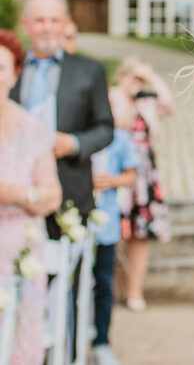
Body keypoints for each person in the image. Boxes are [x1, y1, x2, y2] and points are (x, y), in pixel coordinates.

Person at [11, 0, 114, 239]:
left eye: (54, 21)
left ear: (65, 23)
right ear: (26, 24)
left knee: (67, 274)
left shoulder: (89, 71)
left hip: (70, 191)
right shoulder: (10, 69)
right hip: (16, 193)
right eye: (39, 20)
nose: (47, 28)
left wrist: (73, 143)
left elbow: (105, 128)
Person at [0, 30, 62, 365]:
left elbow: (52, 197)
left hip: (20, 253)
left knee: (20, 343)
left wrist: (14, 193)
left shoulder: (33, 128)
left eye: (0, 68)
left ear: (14, 74)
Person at [108, 57, 174, 311]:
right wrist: (127, 93)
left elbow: (168, 104)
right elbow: (119, 124)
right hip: (119, 170)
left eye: (140, 80)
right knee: (114, 233)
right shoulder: (113, 97)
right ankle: (110, 289)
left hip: (144, 175)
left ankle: (135, 289)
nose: (137, 83)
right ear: (121, 77)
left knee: (140, 233)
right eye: (132, 77)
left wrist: (151, 77)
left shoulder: (148, 102)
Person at [90, 128, 137, 365]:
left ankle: (102, 341)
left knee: (104, 285)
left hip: (106, 225)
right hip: (74, 223)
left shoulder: (120, 138)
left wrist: (112, 180)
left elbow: (131, 175)